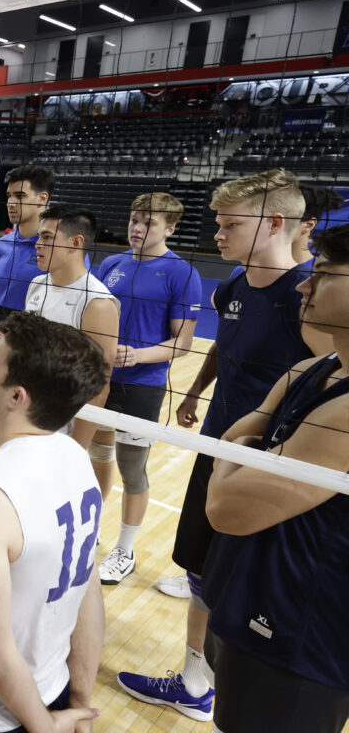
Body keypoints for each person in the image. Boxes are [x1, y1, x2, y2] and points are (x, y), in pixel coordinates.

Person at [117, 168, 334, 721]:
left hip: (266, 467)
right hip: (219, 447)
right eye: (218, 221)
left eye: (230, 223)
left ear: (275, 224)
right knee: (201, 570)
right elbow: (224, 347)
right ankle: (197, 680)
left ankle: (210, 682)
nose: (218, 232)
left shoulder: (307, 296)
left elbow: (326, 373)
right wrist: (194, 393)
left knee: (243, 584)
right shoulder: (233, 285)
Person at [203, 223, 349, 733]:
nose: (305, 287)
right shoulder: (314, 367)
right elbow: (229, 442)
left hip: (299, 632)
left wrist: (244, 454)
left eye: (324, 276)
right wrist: (242, 454)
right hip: (247, 595)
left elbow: (227, 509)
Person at [0, 311, 107, 733]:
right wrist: (80, 701)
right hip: (53, 690)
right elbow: (88, 586)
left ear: (18, 397)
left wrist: (44, 727)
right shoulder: (74, 457)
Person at [91, 193, 202, 586]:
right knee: (94, 455)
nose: (137, 228)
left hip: (143, 385)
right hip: (99, 380)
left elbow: (182, 343)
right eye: (134, 220)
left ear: (169, 229)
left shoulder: (182, 273)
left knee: (132, 469)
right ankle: (91, 528)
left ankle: (126, 549)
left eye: (148, 223)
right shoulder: (112, 264)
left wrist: (137, 356)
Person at [0, 164, 53, 458]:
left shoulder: (52, 250)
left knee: (15, 441)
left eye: (20, 195)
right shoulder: (2, 244)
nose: (11, 202)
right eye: (8, 196)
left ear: (42, 198)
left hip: (29, 360)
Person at [23, 203, 119, 453]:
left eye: (47, 237)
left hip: (60, 429)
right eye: (38, 236)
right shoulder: (36, 285)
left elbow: (99, 385)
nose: (37, 244)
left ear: (75, 243)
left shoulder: (97, 303)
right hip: (24, 414)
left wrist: (75, 448)